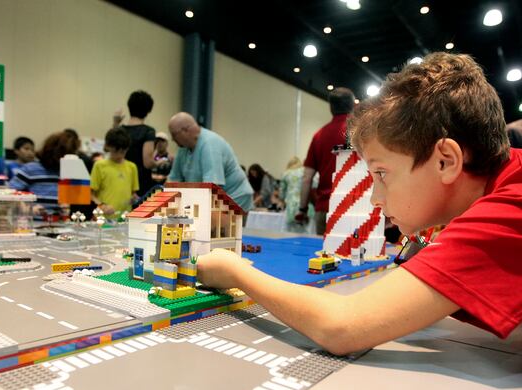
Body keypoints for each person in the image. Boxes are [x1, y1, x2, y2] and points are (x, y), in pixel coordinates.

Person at [196, 52, 522, 355]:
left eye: (382, 173)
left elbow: (342, 326)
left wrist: (236, 272)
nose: (375, 199)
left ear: (445, 161)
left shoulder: (510, 207)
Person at [295, 87, 355, 234]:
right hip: (356, 207)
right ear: (353, 105)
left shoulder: (318, 136)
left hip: (325, 207)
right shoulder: (363, 132)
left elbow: (307, 178)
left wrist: (302, 209)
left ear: (331, 107)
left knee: (322, 256)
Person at [167, 112, 254, 211]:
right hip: (213, 200)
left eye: (174, 134)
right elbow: (173, 180)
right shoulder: (183, 147)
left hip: (235, 198)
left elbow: (212, 188)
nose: (172, 139)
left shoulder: (209, 145)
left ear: (186, 130)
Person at [9, 132, 78, 212]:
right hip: (34, 221)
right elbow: (10, 193)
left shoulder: (68, 171)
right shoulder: (30, 169)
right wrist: (27, 209)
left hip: (59, 221)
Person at [122, 90, 166, 196]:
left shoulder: (120, 130)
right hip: (140, 181)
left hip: (122, 178)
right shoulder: (148, 132)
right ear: (148, 110)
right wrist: (158, 163)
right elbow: (148, 162)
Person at [90, 127, 139, 218]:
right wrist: (102, 205)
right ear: (108, 147)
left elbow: (133, 193)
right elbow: (91, 194)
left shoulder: (132, 167)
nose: (119, 155)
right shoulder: (100, 166)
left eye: (123, 152)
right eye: (116, 151)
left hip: (124, 219)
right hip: (103, 219)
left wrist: (135, 198)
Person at [279, 157, 315, 233]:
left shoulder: (286, 174)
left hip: (291, 207)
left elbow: (281, 193)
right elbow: (314, 187)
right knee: (308, 232)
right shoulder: (306, 172)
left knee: (290, 232)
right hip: (307, 207)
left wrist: (282, 200)